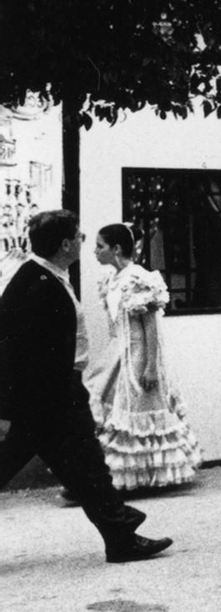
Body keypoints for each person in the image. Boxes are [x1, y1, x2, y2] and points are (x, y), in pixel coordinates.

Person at [0, 211, 173, 563]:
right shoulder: (35, 283)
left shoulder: (46, 276)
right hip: (48, 398)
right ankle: (121, 535)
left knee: (86, 467)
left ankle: (121, 536)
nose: (82, 242)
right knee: (84, 464)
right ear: (65, 244)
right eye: (79, 237)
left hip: (49, 396)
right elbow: (11, 350)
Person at [91, 223, 203, 490]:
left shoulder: (138, 279)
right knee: (108, 405)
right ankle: (107, 475)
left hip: (140, 354)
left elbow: (151, 327)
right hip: (119, 351)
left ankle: (145, 476)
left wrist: (151, 365)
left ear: (116, 249)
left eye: (100, 246)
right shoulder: (111, 280)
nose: (95, 251)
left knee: (138, 408)